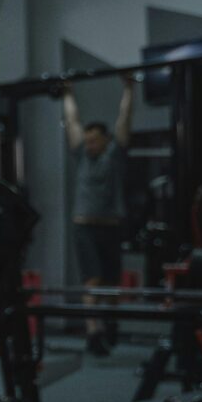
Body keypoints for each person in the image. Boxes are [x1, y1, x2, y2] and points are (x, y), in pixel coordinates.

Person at [61, 76, 134, 356]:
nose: (89, 144)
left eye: (94, 141)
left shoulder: (114, 155)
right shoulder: (81, 156)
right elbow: (72, 122)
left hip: (110, 227)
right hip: (84, 227)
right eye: (87, 141)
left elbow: (124, 120)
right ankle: (94, 332)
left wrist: (129, 89)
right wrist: (68, 93)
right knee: (91, 282)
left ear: (105, 140)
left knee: (112, 284)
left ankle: (111, 324)